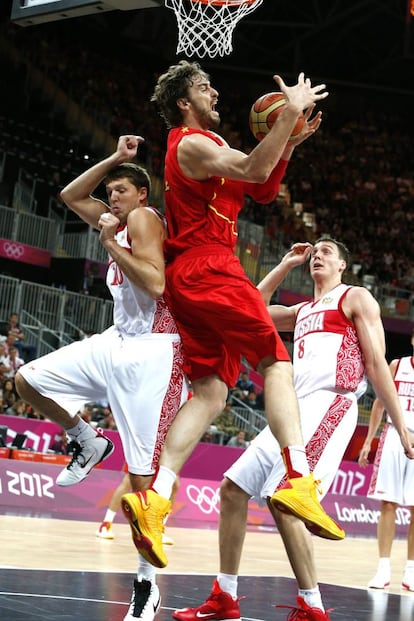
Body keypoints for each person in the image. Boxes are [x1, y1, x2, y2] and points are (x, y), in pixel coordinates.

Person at [120, 61, 344, 572]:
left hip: (193, 278)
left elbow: (262, 187)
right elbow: (254, 170)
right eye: (203, 87)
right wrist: (287, 113)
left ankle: (155, 498)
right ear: (183, 102)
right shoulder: (191, 143)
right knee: (276, 362)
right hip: (209, 264)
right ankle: (298, 479)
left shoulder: (211, 150)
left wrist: (288, 140)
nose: (214, 91)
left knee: (211, 393)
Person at [172, 237, 414, 621]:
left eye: (327, 253)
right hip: (293, 411)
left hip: (332, 402)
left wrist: (400, 426)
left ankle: (312, 606)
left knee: (286, 498)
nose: (318, 256)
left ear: (342, 266)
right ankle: (225, 596)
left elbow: (377, 363)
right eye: (314, 252)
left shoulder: (355, 297)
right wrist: (285, 264)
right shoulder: (302, 311)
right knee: (232, 489)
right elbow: (250, 308)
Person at [14, 135, 188, 621]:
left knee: (141, 481)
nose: (112, 199)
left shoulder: (146, 221)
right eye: (109, 193)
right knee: (28, 379)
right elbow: (70, 197)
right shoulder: (118, 220)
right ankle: (86, 440)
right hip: (117, 341)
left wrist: (111, 240)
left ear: (143, 197)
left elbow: (155, 283)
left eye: (121, 192)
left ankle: (146, 586)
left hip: (155, 350)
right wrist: (115, 160)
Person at [358, 328, 414, 592]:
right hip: (393, 435)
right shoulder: (397, 365)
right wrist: (369, 441)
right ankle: (382, 569)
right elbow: (380, 403)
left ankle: (411, 571)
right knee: (387, 503)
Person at [97, 467, 179, 546]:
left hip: (165, 453)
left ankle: (159, 531)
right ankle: (106, 524)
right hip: (146, 453)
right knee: (129, 480)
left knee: (174, 484)